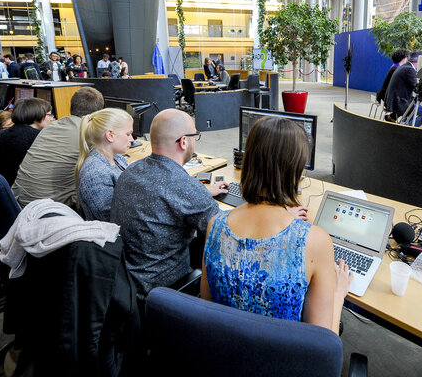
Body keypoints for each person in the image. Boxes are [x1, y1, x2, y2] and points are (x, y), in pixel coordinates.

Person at [201, 116, 352, 333]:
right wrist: (338, 295)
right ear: (297, 170)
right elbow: (324, 343)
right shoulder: (314, 240)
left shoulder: (215, 225)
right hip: (281, 365)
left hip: (221, 356)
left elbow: (206, 307)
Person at [110, 109, 230, 300]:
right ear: (183, 141)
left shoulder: (131, 171)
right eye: (194, 136)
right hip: (165, 290)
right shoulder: (185, 187)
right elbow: (227, 233)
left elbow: (165, 195)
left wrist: (202, 192)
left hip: (128, 283)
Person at [12, 87, 105, 209]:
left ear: (70, 108)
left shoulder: (52, 126)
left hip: (18, 202)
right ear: (98, 114)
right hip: (46, 211)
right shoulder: (88, 134)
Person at [75, 108, 133, 222]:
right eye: (128, 134)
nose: (132, 139)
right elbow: (110, 219)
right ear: (110, 135)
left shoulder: (117, 158)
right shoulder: (95, 173)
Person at [0, 97, 53, 185]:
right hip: (29, 190)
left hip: (9, 186)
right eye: (49, 115)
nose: (51, 119)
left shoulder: (0, 135)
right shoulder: (39, 138)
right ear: (36, 116)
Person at [385, 49, 422, 122]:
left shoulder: (405, 67)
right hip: (399, 102)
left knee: (413, 104)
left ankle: (395, 118)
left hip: (395, 100)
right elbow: (417, 89)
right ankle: (408, 127)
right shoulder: (410, 70)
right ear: (420, 60)